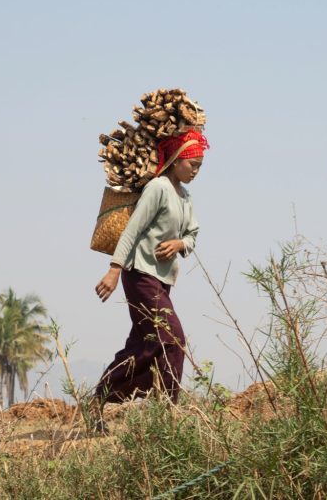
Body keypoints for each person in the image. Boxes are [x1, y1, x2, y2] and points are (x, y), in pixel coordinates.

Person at [90, 128, 208, 430]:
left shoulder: (184, 196)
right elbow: (133, 229)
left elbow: (193, 234)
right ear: (176, 159)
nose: (195, 171)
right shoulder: (158, 188)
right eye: (192, 164)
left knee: (146, 343)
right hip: (139, 274)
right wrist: (114, 269)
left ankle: (100, 400)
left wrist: (180, 244)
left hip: (162, 280)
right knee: (173, 338)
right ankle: (167, 411)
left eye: (199, 166)